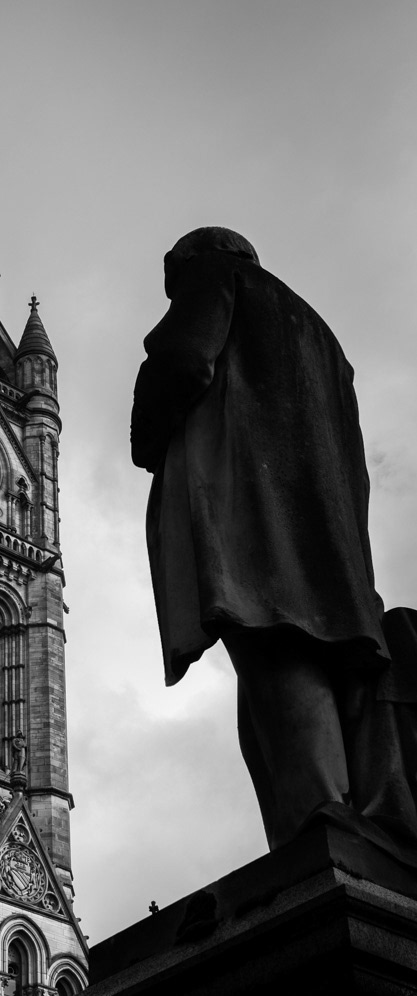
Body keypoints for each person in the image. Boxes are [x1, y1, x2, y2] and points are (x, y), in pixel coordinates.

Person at [131, 226, 417, 851]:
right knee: (329, 660)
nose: (173, 288)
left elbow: (184, 360)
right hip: (325, 528)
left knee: (273, 647)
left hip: (248, 506)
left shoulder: (217, 277)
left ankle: (318, 821)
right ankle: (346, 818)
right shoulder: (323, 336)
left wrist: (147, 435)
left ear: (192, 259)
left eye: (172, 276)